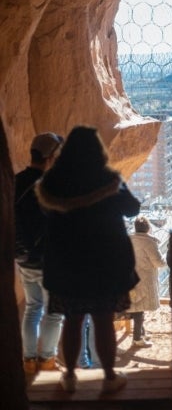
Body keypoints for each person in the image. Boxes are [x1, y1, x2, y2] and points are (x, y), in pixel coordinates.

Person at [36, 125, 140, 394]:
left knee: (72, 320)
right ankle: (108, 376)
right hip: (105, 264)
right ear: (97, 151)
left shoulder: (52, 182)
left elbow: (44, 216)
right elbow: (132, 209)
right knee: (104, 320)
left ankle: (69, 376)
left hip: (66, 264)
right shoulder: (109, 180)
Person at [14, 132, 65, 380]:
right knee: (54, 312)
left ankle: (28, 361)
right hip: (50, 261)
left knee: (32, 308)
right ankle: (46, 360)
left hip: (23, 259)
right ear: (50, 157)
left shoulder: (16, 181)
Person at [127, 215, 165, 348]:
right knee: (139, 310)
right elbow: (159, 262)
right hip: (144, 279)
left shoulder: (128, 240)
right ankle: (137, 338)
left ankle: (140, 333)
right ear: (148, 228)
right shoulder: (149, 242)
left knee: (137, 307)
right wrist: (165, 257)